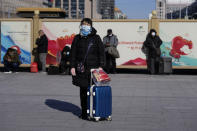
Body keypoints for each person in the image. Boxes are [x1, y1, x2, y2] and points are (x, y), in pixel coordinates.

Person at [70, 18, 105, 120]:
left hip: (94, 69)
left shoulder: (96, 38)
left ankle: (96, 111)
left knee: (95, 91)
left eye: (87, 24)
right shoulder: (77, 38)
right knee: (83, 91)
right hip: (81, 69)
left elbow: (101, 53)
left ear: (90, 26)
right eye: (83, 24)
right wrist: (72, 66)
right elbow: (73, 53)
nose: (85, 26)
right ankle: (84, 112)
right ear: (80, 26)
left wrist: (101, 65)